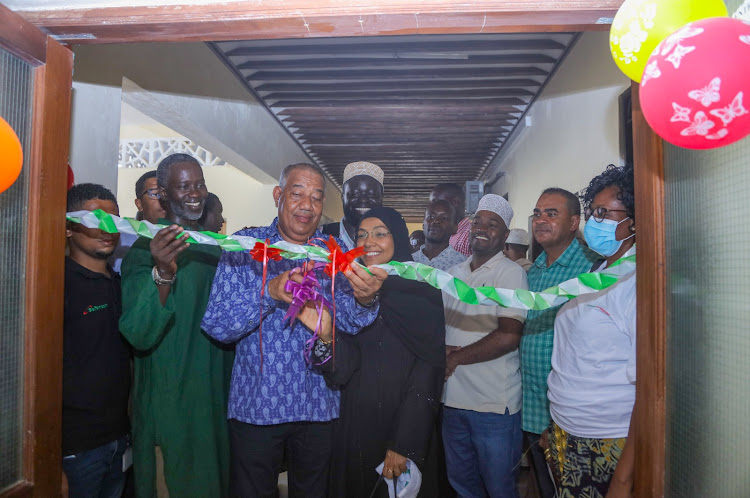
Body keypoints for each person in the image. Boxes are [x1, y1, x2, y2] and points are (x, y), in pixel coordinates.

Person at [201, 163, 386, 498]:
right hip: (257, 406)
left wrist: (367, 299)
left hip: (318, 406)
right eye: (298, 193)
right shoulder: (243, 245)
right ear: (279, 195)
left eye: (316, 198)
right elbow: (218, 325)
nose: (307, 205)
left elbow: (352, 321)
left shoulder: (332, 253)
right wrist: (269, 293)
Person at [309, 207, 446, 497]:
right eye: (361, 235)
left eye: (380, 234)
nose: (369, 241)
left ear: (397, 237)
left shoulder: (422, 289)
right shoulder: (347, 289)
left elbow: (429, 368)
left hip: (405, 426)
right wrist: (325, 336)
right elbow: (340, 372)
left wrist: (403, 443)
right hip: (355, 426)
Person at [119, 153, 234, 498]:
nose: (194, 193)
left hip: (214, 405)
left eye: (199, 184)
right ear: (164, 194)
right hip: (170, 409)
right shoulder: (146, 249)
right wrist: (163, 273)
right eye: (184, 186)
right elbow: (138, 332)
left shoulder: (216, 249)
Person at [545, 165, 637, 498]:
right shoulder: (600, 268)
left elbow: (651, 387)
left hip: (606, 437)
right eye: (591, 212)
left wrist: (623, 480)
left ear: (635, 221)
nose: (593, 221)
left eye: (603, 213)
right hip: (566, 428)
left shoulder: (638, 284)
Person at [441, 194, 528, 498]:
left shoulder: (511, 273)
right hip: (452, 401)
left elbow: (508, 336)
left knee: (499, 489)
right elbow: (437, 329)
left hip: (493, 406)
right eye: (478, 221)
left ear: (505, 236)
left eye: (493, 225)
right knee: (463, 487)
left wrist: (454, 359)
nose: (482, 228)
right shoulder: (452, 275)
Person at [520, 188, 598, 498]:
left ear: (573, 223)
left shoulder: (593, 268)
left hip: (570, 414)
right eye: (537, 214)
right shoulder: (533, 271)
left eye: (551, 214)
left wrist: (559, 420)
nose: (541, 220)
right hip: (531, 409)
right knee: (544, 486)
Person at [63, 184, 131, 498]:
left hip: (118, 438)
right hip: (74, 449)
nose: (106, 229)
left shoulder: (119, 284)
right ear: (67, 227)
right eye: (94, 219)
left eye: (113, 221)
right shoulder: (57, 284)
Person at [112, 171, 166, 273]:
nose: (163, 199)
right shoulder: (120, 241)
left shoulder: (186, 236)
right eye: (155, 194)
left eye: (167, 194)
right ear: (139, 204)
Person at [322, 161, 384, 249]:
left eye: (372, 194)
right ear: (343, 197)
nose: (363, 200)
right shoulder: (321, 237)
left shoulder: (394, 243)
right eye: (355, 194)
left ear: (381, 198)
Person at [412, 200, 465, 271]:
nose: (436, 221)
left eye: (444, 218)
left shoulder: (462, 265)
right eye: (430, 217)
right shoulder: (410, 261)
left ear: (455, 228)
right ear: (423, 224)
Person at [430, 183, 471, 257]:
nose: (432, 206)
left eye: (436, 201)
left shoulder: (469, 236)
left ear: (455, 202)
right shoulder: (447, 234)